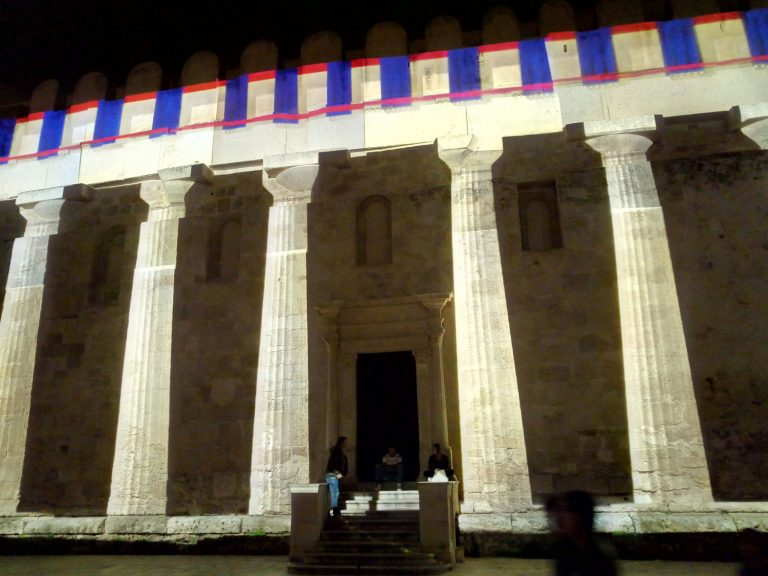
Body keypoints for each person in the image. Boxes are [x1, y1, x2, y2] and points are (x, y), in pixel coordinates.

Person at [550, 490, 618, 576]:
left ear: (579, 516)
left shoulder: (599, 562)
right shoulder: (566, 554)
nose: (560, 517)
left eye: (566, 510)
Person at [325, 436, 348, 518]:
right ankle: (335, 510)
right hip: (333, 475)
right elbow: (334, 464)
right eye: (345, 442)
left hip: (334, 475)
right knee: (335, 493)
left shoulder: (339, 451)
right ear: (342, 442)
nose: (347, 444)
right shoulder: (337, 451)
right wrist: (338, 474)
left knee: (335, 493)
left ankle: (335, 510)